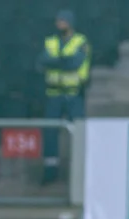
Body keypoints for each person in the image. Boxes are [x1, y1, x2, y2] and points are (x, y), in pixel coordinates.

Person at [38, 10, 91, 183]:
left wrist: (56, 62)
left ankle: (80, 171)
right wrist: (63, 61)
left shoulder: (81, 41)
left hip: (73, 94)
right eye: (58, 21)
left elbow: (74, 64)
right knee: (50, 133)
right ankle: (50, 170)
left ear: (70, 23)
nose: (60, 24)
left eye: (63, 21)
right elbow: (41, 62)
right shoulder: (50, 41)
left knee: (78, 132)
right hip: (53, 94)